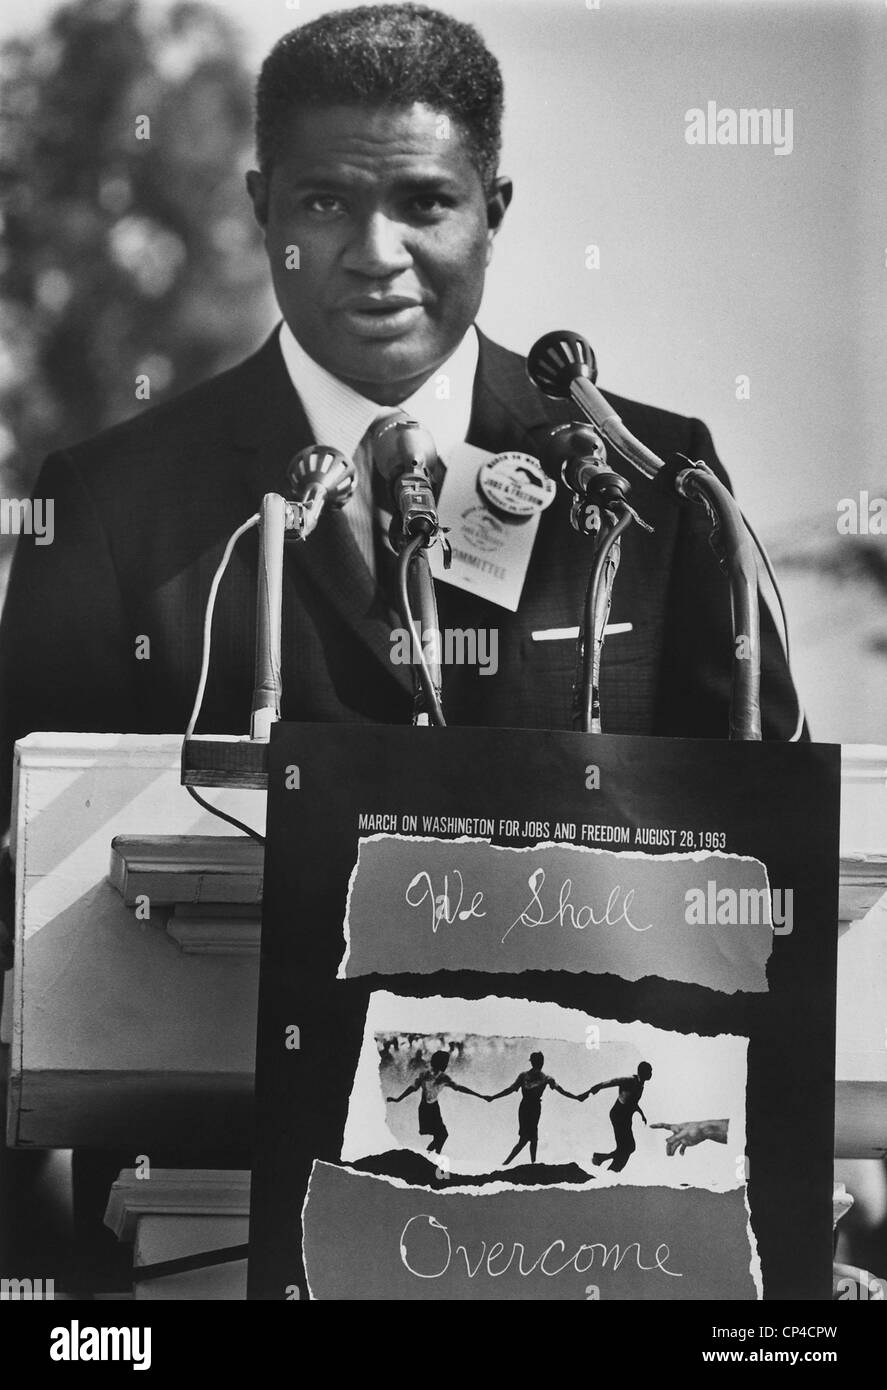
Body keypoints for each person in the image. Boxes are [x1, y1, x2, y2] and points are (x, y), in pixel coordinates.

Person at [0, 2, 803, 882]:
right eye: (325, 201)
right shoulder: (109, 502)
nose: (376, 252)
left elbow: (762, 846)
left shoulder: (654, 480)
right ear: (263, 210)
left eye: (424, 202)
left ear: (491, 214)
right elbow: (37, 868)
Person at [487, 1050, 583, 1166]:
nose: (538, 1063)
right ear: (538, 1062)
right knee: (527, 1138)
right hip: (529, 1107)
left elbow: (510, 1089)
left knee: (532, 1137)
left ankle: (530, 1162)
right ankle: (511, 1163)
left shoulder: (540, 1077)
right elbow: (562, 1091)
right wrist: (576, 1097)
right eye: (538, 1061)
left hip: (530, 1107)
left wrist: (493, 1097)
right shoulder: (540, 1077)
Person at [386, 1048, 484, 1155]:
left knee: (441, 1135)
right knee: (442, 1135)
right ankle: (433, 1156)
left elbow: (458, 1088)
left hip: (433, 1108)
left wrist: (480, 1095)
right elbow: (413, 1088)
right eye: (445, 1063)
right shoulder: (436, 1076)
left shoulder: (435, 1076)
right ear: (440, 1063)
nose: (446, 1065)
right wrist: (398, 1099)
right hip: (426, 1109)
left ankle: (431, 1155)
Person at [583, 1061, 652, 1173]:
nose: (651, 1074)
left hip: (626, 1117)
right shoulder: (630, 1080)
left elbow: (633, 1102)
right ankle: (612, 1170)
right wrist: (593, 1090)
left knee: (628, 1148)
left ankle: (603, 1160)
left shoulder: (641, 1085)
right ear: (643, 1072)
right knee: (627, 1148)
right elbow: (611, 1082)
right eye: (649, 1071)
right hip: (619, 1115)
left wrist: (641, 1114)